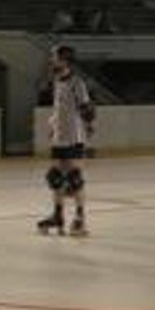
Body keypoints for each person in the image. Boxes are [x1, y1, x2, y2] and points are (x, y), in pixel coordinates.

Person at [37, 46, 94, 237]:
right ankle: (58, 215)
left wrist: (88, 127)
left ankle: (80, 219)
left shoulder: (77, 83)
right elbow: (59, 108)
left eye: (54, 57)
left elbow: (87, 109)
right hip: (59, 136)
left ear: (64, 60)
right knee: (55, 177)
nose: (51, 60)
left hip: (74, 136)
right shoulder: (56, 81)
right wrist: (53, 124)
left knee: (74, 179)